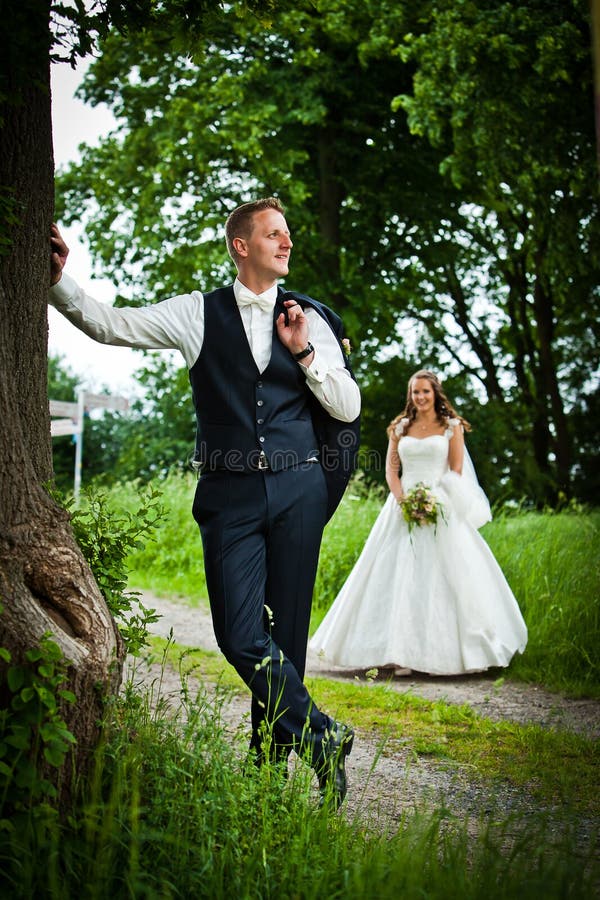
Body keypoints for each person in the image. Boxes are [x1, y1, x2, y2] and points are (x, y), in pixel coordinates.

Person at [49, 197, 361, 806]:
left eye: (289, 234)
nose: (287, 242)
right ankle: (322, 737)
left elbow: (347, 408)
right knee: (240, 634)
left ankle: (267, 779)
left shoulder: (311, 318)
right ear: (241, 246)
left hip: (299, 488)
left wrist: (304, 353)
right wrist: (61, 284)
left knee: (287, 635)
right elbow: (113, 324)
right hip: (230, 494)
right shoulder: (197, 313)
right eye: (274, 234)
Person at [310, 370, 527, 676]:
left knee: (443, 580)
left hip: (440, 505)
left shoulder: (452, 427)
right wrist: (405, 503)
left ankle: (443, 656)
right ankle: (391, 654)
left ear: (436, 393)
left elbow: (455, 471)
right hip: (402, 507)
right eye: (415, 392)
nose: (420, 397)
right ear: (410, 395)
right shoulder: (400, 428)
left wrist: (432, 503)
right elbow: (391, 472)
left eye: (425, 391)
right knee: (393, 578)